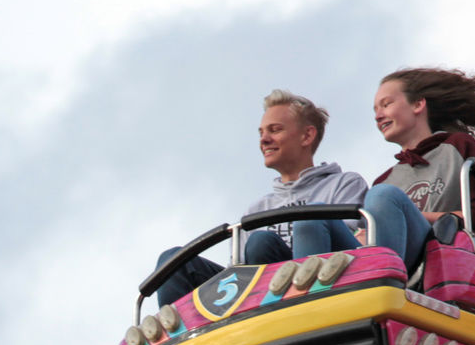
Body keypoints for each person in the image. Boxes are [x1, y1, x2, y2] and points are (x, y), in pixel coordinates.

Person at [153, 90, 367, 306]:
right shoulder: (256, 210)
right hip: (254, 297)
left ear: (307, 136)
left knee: (261, 242)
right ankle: (180, 325)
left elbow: (350, 247)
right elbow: (237, 276)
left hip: (324, 286)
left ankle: (292, 307)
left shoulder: (343, 185)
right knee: (172, 261)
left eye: (275, 130)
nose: (264, 140)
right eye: (261, 133)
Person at [357, 68, 475, 274]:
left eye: (386, 104)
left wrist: (413, 216)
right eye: (375, 110)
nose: (378, 116)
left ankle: (385, 280)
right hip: (393, 261)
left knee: (384, 196)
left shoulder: (457, 146)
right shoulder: (384, 180)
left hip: (450, 257)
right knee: (316, 220)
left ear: (418, 104)